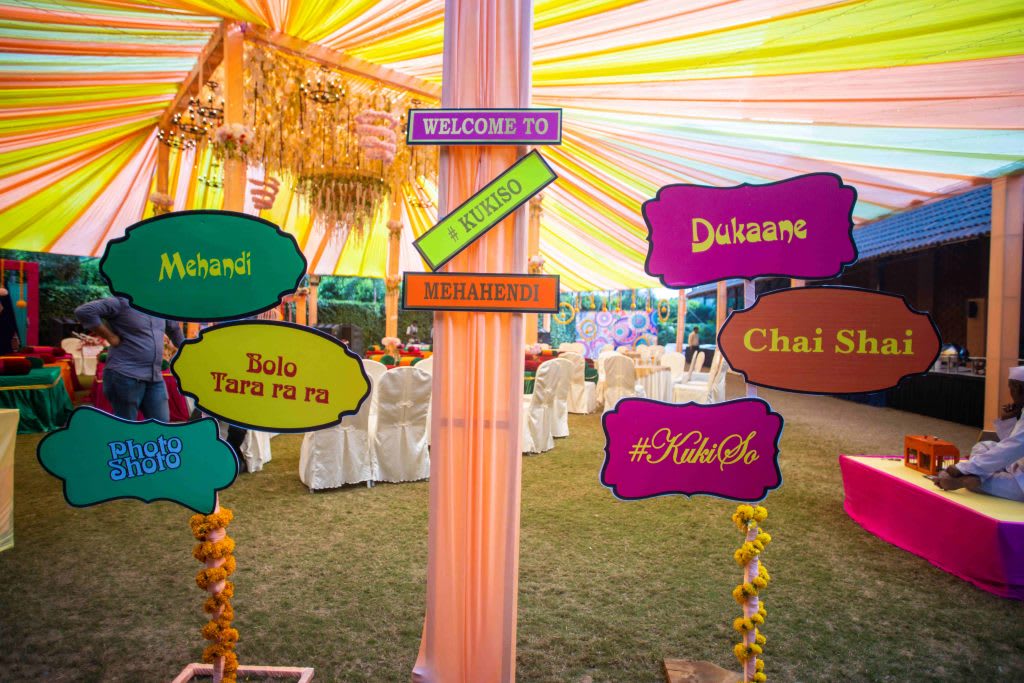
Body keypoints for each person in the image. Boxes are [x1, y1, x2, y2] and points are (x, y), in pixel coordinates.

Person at [75, 297, 183, 422]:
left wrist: (189, 351)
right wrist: (110, 337)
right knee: (126, 426)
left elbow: (174, 329)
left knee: (161, 424)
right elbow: (84, 311)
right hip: (125, 375)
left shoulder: (160, 305)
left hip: (154, 377)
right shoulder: (122, 302)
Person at [936, 366, 1024, 501]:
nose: (1011, 393)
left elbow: (1012, 448)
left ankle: (965, 481)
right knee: (985, 445)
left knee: (977, 478)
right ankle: (977, 477)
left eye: (1011, 388)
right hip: (1016, 465)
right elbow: (1011, 444)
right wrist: (1007, 420)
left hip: (1021, 484)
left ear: (1018, 388)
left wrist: (962, 469)